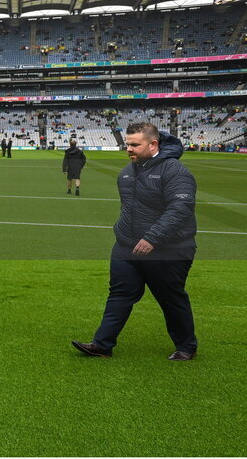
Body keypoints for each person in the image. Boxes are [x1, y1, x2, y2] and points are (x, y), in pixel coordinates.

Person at [72, 123, 198, 361]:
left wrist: (152, 237)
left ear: (153, 144)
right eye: (127, 144)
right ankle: (102, 345)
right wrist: (122, 234)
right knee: (119, 294)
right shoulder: (127, 172)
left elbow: (180, 208)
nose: (128, 149)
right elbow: (130, 209)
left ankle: (186, 346)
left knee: (170, 298)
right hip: (126, 247)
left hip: (168, 249)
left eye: (134, 144)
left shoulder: (175, 171)